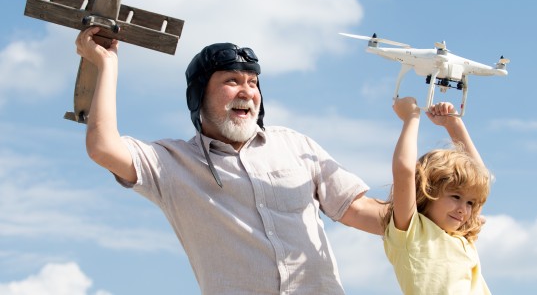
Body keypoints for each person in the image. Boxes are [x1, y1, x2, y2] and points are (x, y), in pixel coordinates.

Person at [75, 27, 384, 294]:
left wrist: (428, 191)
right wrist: (107, 64)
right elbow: (103, 146)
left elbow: (362, 211)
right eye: (232, 81)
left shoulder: (296, 145)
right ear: (198, 96)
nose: (247, 92)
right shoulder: (171, 163)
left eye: (253, 82)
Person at [380, 97, 492, 294]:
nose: (463, 209)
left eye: (469, 203)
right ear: (427, 190)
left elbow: (481, 180)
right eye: (456, 197)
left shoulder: (461, 236)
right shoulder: (411, 231)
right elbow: (404, 170)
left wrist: (453, 123)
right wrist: (411, 117)